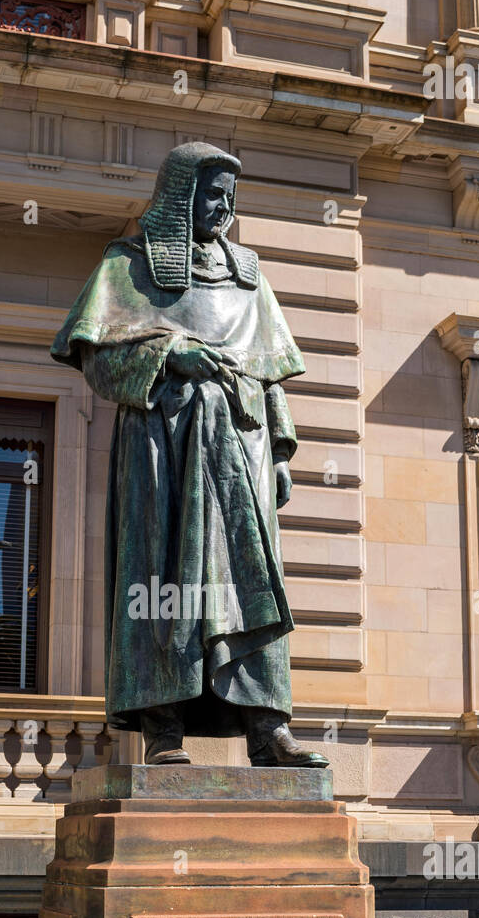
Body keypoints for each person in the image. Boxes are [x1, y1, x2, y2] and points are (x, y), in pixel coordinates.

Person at [51, 141, 328, 769]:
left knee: (250, 581)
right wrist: (169, 353)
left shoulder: (249, 274)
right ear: (180, 196)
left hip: (241, 446)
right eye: (212, 192)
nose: (224, 206)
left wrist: (281, 451)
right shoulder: (129, 265)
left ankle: (267, 728)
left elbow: (268, 371)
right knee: (164, 579)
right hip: (162, 445)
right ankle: (164, 729)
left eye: (231, 195)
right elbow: (96, 358)